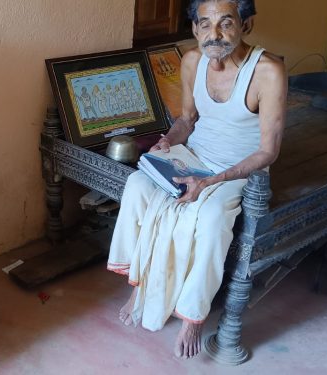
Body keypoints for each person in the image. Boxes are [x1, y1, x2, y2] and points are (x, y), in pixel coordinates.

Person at [107, 0, 286, 359]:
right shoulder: (192, 61)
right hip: (197, 157)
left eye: (225, 23)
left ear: (246, 25)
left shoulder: (268, 71)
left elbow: (269, 151)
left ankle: (193, 315)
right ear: (194, 29)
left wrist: (210, 182)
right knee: (139, 185)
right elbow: (187, 119)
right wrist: (167, 142)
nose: (213, 34)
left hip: (241, 167)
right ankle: (142, 287)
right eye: (204, 25)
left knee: (209, 216)